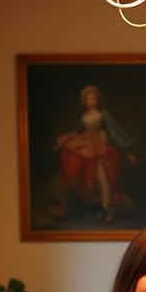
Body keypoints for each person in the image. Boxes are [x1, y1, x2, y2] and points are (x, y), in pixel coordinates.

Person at [55, 85, 136, 225]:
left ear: (97, 100)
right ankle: (94, 204)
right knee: (85, 175)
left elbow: (114, 131)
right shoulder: (84, 116)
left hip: (100, 148)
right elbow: (78, 132)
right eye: (88, 99)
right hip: (88, 148)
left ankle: (107, 207)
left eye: (93, 98)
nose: (91, 101)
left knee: (102, 175)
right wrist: (63, 140)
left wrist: (128, 151)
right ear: (84, 101)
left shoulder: (103, 114)